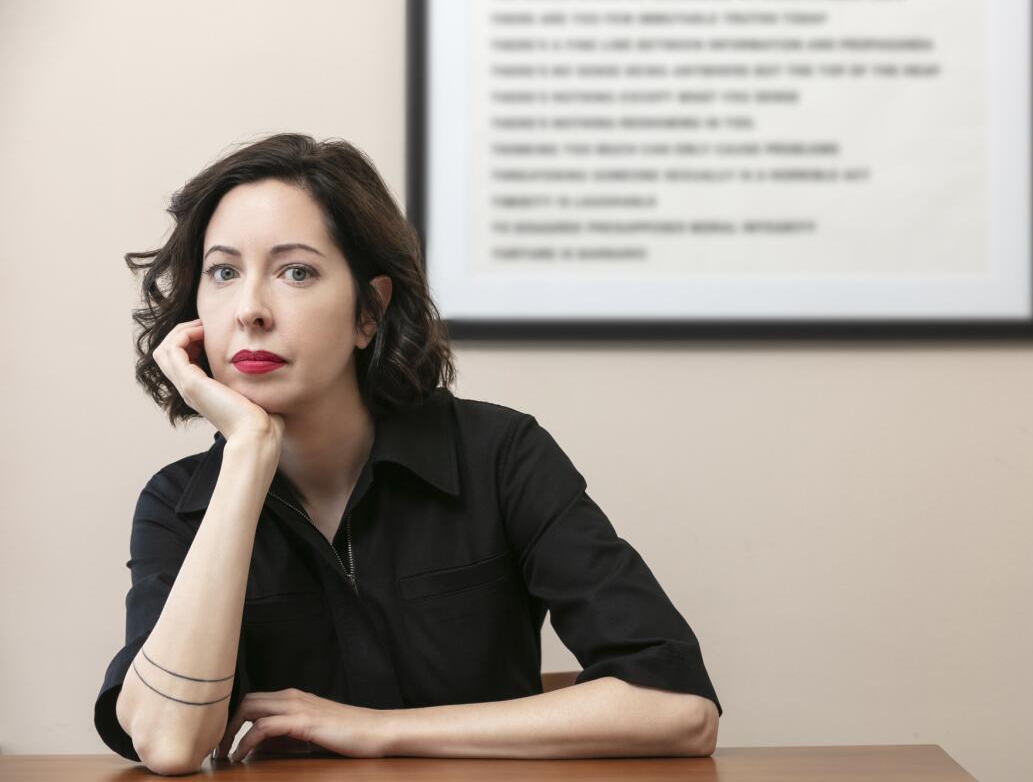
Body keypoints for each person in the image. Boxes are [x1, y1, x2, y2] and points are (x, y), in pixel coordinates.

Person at [94, 133, 722, 774]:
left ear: (369, 311)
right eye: (223, 272)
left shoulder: (500, 456)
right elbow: (170, 745)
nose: (250, 310)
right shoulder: (177, 504)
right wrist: (249, 451)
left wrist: (381, 731)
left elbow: (679, 709)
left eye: (296, 272)